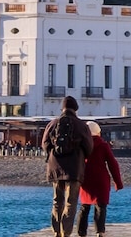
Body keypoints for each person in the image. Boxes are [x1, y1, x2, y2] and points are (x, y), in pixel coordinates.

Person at [41, 96, 93, 237]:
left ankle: (56, 231)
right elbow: (89, 148)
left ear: (62, 108)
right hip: (74, 169)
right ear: (76, 109)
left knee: (57, 201)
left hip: (55, 167)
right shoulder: (82, 126)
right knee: (71, 202)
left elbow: (45, 144)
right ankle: (66, 232)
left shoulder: (52, 124)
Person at [78, 121, 124, 237]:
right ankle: (99, 232)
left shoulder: (80, 146)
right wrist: (118, 182)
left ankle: (81, 232)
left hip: (85, 179)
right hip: (100, 180)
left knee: (84, 206)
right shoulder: (103, 146)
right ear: (98, 133)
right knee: (101, 206)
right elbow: (113, 164)